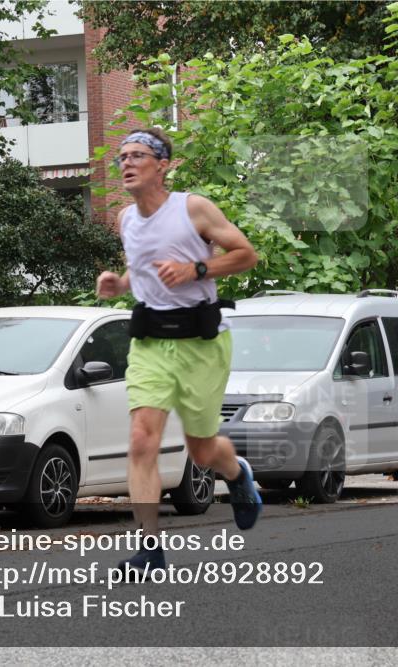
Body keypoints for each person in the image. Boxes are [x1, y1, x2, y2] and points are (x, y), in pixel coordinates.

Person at [95, 128, 262, 572]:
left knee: (203, 451)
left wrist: (197, 268)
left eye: (137, 156)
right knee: (140, 440)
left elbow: (247, 255)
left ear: (162, 164)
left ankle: (237, 474)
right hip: (150, 342)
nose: (126, 164)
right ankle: (150, 548)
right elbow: (142, 266)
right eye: (121, 157)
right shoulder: (125, 219)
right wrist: (121, 283)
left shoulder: (193, 208)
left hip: (201, 345)